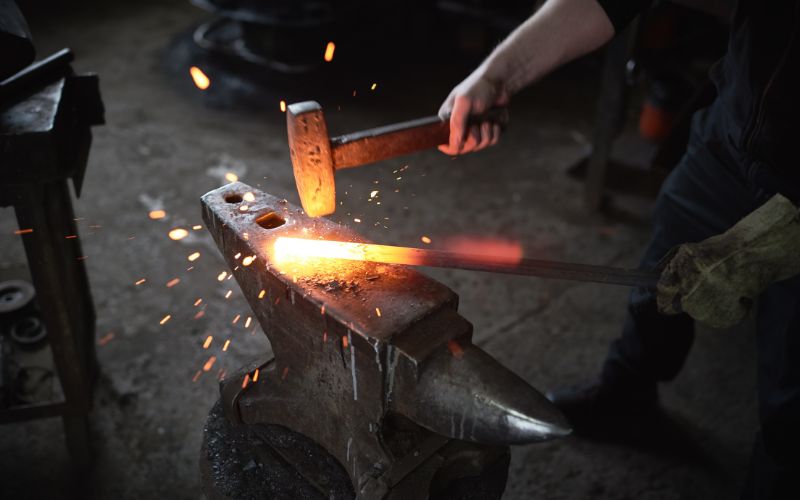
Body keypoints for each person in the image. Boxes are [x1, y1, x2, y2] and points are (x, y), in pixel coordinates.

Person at [438, 0, 800, 497]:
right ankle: (629, 390)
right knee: (663, 264)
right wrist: (496, 74)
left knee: (793, 384)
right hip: (733, 128)